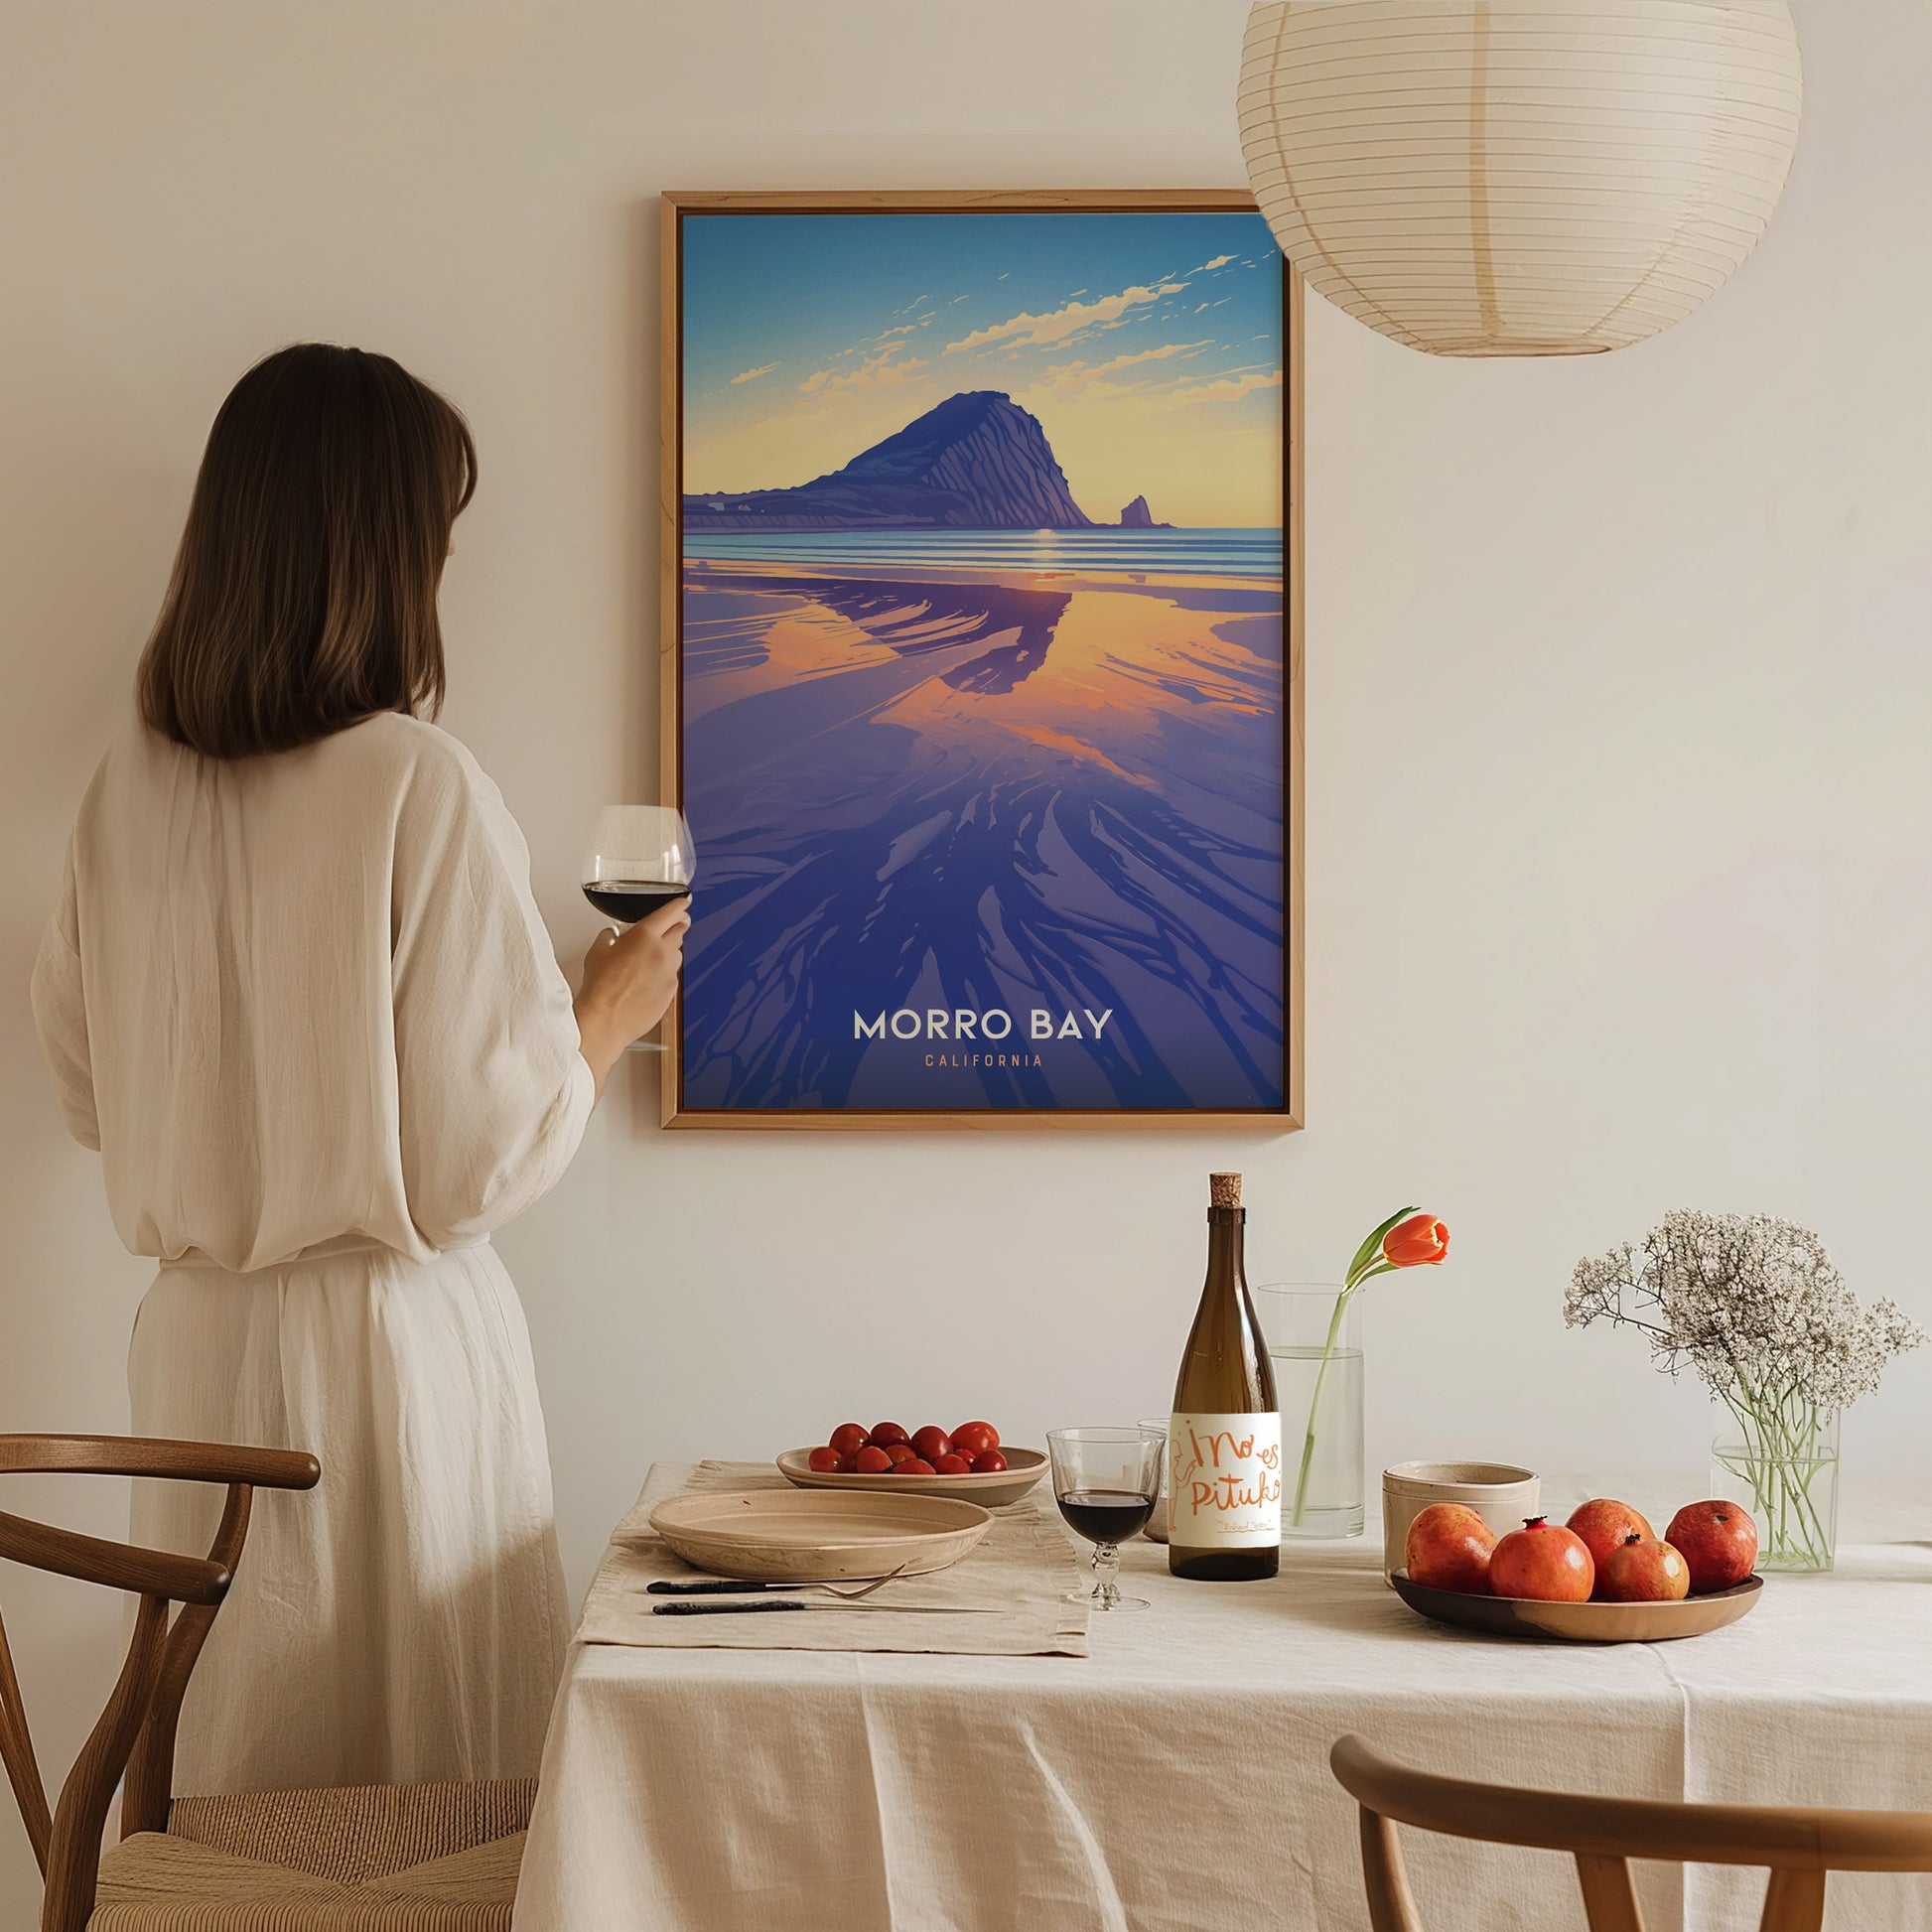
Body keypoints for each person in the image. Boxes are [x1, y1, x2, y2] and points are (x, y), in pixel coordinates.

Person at [29, 343, 683, 1793]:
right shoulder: (414, 780)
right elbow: (471, 1164)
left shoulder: (122, 792)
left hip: (197, 1352)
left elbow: (87, 1093)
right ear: (384, 553)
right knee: (419, 1798)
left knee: (238, 1776)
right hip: (387, 1363)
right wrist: (602, 1013)